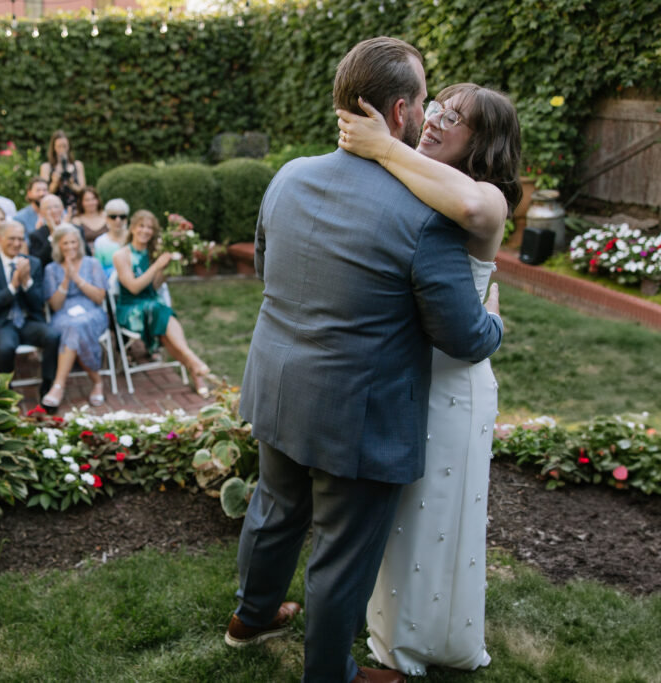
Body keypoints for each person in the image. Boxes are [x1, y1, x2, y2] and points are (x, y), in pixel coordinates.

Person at [228, 37, 503, 683]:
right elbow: (463, 337)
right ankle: (332, 674)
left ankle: (251, 617)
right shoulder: (426, 216)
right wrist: (494, 321)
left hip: (277, 382)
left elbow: (268, 269)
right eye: (425, 98)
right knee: (341, 552)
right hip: (357, 412)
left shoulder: (289, 174)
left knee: (274, 507)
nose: (429, 112)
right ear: (401, 110)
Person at [338, 83, 521, 676]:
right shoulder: (417, 179)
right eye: (436, 107)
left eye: (455, 117)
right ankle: (391, 629)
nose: (436, 119)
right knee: (397, 515)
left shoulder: (486, 196)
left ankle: (423, 643)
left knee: (438, 512)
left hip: (453, 384)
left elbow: (471, 212)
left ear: (483, 142)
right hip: (402, 374)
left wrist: (383, 146)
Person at [112, 210, 211, 398]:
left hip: (151, 306)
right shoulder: (121, 255)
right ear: (132, 228)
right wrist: (157, 265)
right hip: (130, 309)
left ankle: (194, 367)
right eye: (141, 226)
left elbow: (154, 285)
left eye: (149, 227)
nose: (145, 231)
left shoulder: (154, 252)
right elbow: (134, 288)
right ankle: (193, 364)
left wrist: (168, 269)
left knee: (163, 324)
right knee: (160, 310)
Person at [0, 222, 61, 403]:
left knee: (52, 336)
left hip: (27, 321)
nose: (16, 243)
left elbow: (38, 304)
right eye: (12, 239)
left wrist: (27, 281)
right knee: (5, 347)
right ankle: (4, 395)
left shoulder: (34, 264)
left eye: (20, 239)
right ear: (1, 239)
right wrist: (13, 286)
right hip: (2, 324)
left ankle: (48, 388)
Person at [41, 224, 110, 407]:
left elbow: (99, 297)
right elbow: (55, 305)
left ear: (79, 243)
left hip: (92, 312)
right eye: (66, 243)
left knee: (77, 326)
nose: (70, 246)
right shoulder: (51, 269)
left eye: (73, 242)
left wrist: (77, 278)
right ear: (58, 245)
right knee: (73, 327)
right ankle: (97, 382)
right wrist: (66, 278)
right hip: (63, 315)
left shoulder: (92, 263)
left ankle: (58, 386)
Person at [40, 130, 85, 212]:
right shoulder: (46, 167)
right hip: (54, 209)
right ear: (54, 148)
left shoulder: (77, 165)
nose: (62, 149)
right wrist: (54, 183)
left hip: (75, 208)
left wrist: (72, 184)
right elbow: (44, 194)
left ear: (69, 146)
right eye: (59, 146)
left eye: (65, 146)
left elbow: (83, 191)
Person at [93, 198, 129, 277]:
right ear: (107, 219)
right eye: (113, 217)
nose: (118, 220)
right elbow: (99, 270)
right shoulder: (100, 242)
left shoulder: (133, 238)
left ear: (126, 219)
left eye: (122, 217)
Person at [29, 194, 67, 267]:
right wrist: (53, 234)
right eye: (48, 208)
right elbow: (38, 261)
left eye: (56, 206)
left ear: (62, 209)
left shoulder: (76, 229)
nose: (53, 211)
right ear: (42, 212)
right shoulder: (36, 235)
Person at [71, 187, 108, 251]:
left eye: (93, 199)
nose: (91, 203)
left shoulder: (107, 216)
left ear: (98, 200)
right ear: (81, 202)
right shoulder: (77, 221)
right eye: (87, 200)